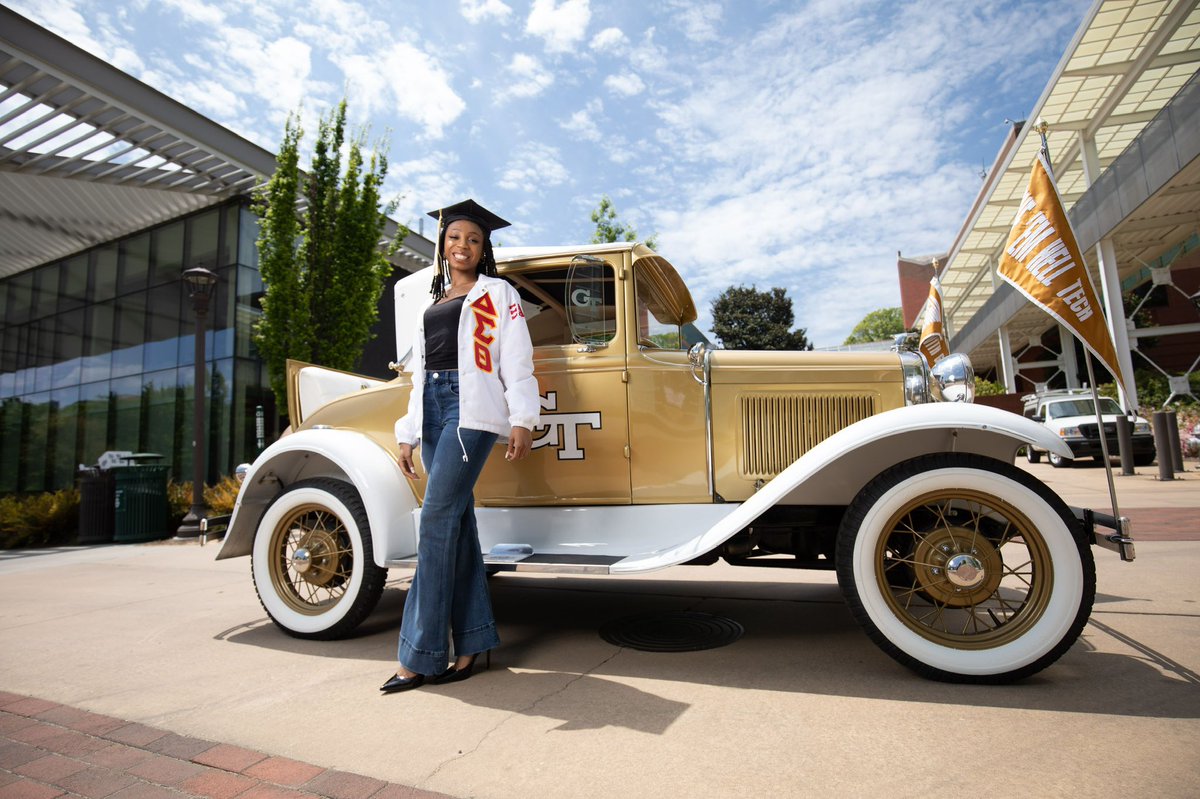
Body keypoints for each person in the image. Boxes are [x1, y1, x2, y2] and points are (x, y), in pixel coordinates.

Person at [382, 199, 540, 694]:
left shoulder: (498, 293)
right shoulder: (434, 300)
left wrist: (523, 418)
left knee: (434, 521)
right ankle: (473, 643)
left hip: (469, 412)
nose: (463, 245)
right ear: (443, 245)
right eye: (455, 238)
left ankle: (419, 657)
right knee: (457, 525)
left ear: (483, 247)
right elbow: (420, 376)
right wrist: (408, 432)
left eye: (473, 239)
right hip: (432, 407)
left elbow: (516, 356)